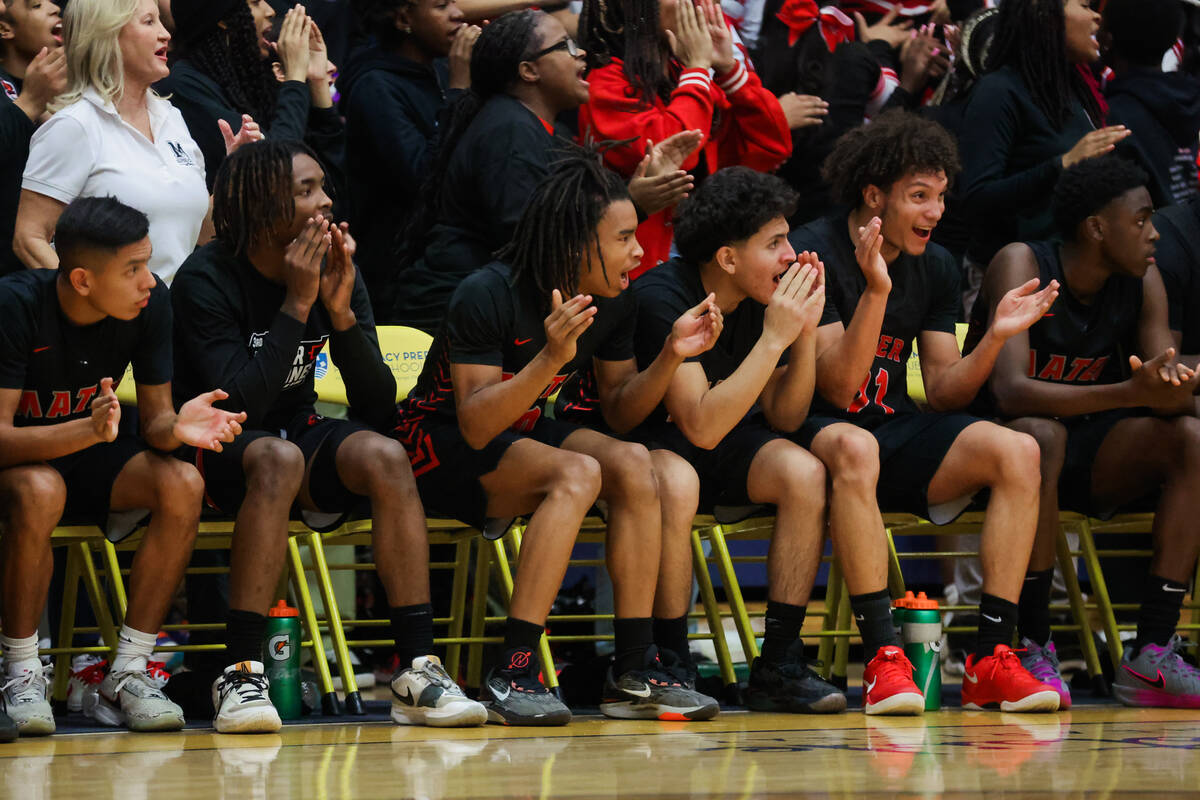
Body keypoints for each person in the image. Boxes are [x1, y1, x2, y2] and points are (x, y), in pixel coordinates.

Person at [394, 151, 722, 725]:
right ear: (576, 244)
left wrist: (671, 356)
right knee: (579, 471)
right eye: (624, 238)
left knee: (633, 461)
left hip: (517, 431)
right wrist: (550, 358)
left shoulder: (615, 301)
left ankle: (633, 667)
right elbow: (474, 423)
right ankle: (515, 670)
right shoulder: (488, 291)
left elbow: (619, 411)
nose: (639, 251)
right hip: (436, 444)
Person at [170, 139, 486, 733]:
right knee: (276, 456)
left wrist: (339, 313)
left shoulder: (334, 269)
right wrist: (296, 303)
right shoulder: (205, 278)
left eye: (323, 185)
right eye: (306, 190)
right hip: (213, 443)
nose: (326, 201)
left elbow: (376, 405)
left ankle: (418, 666)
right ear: (262, 204)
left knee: (386, 455)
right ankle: (241, 670)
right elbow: (237, 406)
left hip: (294, 433)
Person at [789, 110, 1063, 712]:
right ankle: (884, 659)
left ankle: (992, 656)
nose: (935, 212)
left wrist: (993, 336)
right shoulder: (812, 250)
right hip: (807, 428)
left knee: (1020, 450)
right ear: (873, 194)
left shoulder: (936, 264)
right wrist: (877, 290)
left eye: (940, 196)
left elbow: (942, 392)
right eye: (919, 196)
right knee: (855, 444)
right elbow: (837, 388)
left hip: (891, 429)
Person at [634, 164, 928, 717]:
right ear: (727, 258)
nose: (792, 254)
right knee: (680, 478)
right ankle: (670, 658)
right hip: (658, 449)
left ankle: (779, 661)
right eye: (775, 243)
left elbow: (787, 417)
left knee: (803, 472)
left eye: (789, 238)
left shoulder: (762, 299)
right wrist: (774, 340)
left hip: (724, 443)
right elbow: (699, 424)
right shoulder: (664, 296)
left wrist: (806, 329)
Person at [0, 196, 245, 735]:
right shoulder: (15, 305)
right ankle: (19, 672)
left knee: (182, 480)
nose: (149, 282)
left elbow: (155, 422)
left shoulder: (151, 307)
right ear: (83, 279)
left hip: (92, 454)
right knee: (41, 488)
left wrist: (177, 427)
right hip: (21, 467)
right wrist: (85, 430)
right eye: (133, 270)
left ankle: (128, 671)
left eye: (148, 264)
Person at [967, 155, 1200, 709]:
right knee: (1039, 436)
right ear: (1097, 227)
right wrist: (1127, 393)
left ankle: (1151, 654)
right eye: (1141, 219)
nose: (1155, 232)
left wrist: (1174, 384)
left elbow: (1161, 383)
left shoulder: (1143, 281)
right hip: (994, 462)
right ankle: (1031, 641)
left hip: (1087, 457)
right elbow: (1010, 392)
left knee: (1190, 438)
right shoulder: (1021, 262)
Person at [12, 0, 255, 284]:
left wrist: (233, 174)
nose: (165, 34)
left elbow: (200, 233)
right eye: (149, 22)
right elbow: (29, 239)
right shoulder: (74, 125)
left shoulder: (172, 117)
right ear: (107, 34)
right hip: (111, 323)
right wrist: (90, 304)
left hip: (179, 319)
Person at [391, 10, 588, 331]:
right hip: (450, 317)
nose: (580, 53)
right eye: (565, 46)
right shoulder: (510, 130)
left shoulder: (546, 131)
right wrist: (636, 202)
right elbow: (530, 241)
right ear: (529, 70)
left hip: (484, 308)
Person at [577, 0, 792, 271]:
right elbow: (678, 153)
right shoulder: (605, 82)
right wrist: (699, 67)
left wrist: (729, 69)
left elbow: (772, 146)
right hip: (640, 266)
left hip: (704, 256)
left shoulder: (683, 74)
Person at [959, 0, 1126, 315]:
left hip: (1070, 280)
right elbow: (976, 198)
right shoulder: (998, 91)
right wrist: (1063, 164)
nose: (1096, 16)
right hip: (1015, 285)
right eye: (1084, 5)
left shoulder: (1072, 89)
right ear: (1045, 14)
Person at [338, 0, 480, 305]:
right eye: (441, 6)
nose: (458, 14)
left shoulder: (442, 68)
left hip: (452, 261)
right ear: (404, 18)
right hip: (402, 280)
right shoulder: (374, 86)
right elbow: (422, 178)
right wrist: (458, 92)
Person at [165, 0, 345, 195]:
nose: (270, 11)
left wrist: (317, 84)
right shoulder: (186, 84)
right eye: (256, 2)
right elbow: (276, 168)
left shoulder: (252, 75)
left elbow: (332, 188)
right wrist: (294, 79)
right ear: (223, 20)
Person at [1102, 0, 1200, 208]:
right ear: (1173, 40)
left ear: (1108, 37)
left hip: (1148, 235)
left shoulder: (1114, 117)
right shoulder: (1189, 98)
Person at [0, 0, 65, 275]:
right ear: (4, 28)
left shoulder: (68, 87)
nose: (54, 8)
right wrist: (29, 104)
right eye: (36, 5)